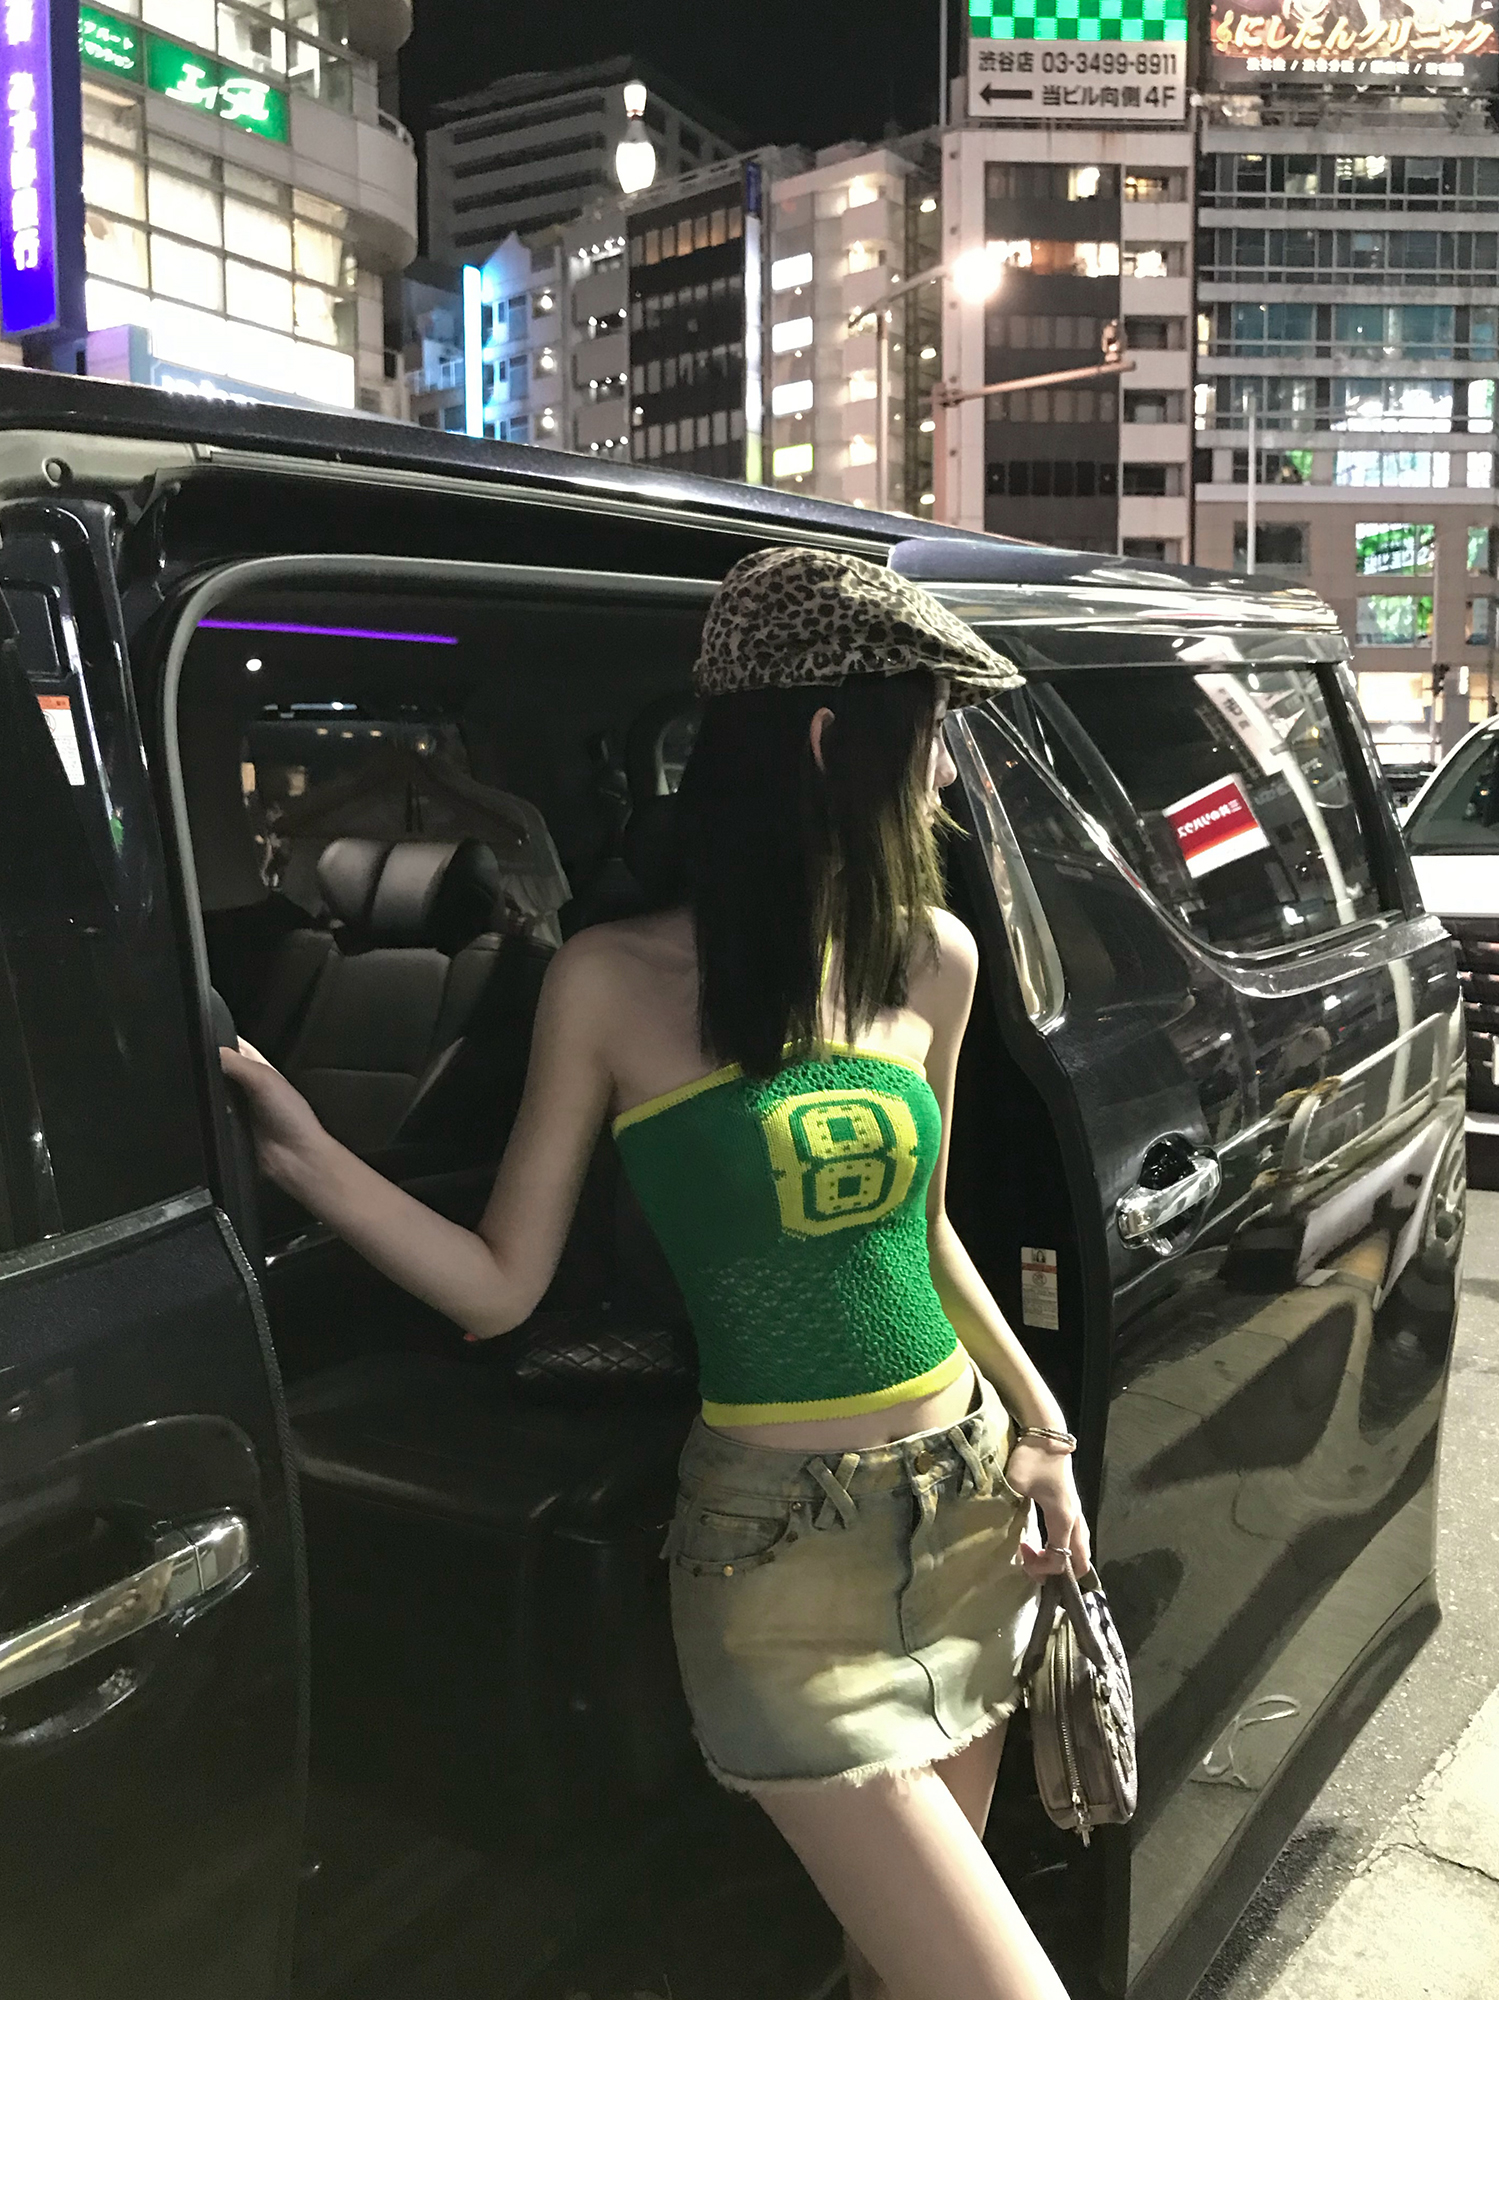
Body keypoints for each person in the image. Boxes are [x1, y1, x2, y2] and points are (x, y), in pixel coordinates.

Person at [220, 546, 1089, 2001]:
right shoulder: (611, 983)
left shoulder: (931, 959)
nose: (945, 779)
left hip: (965, 1519)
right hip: (779, 1570)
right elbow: (500, 1284)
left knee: (900, 1990)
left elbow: (921, 1234)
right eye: (933, 736)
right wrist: (304, 1156)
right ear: (834, 741)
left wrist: (1044, 1430)